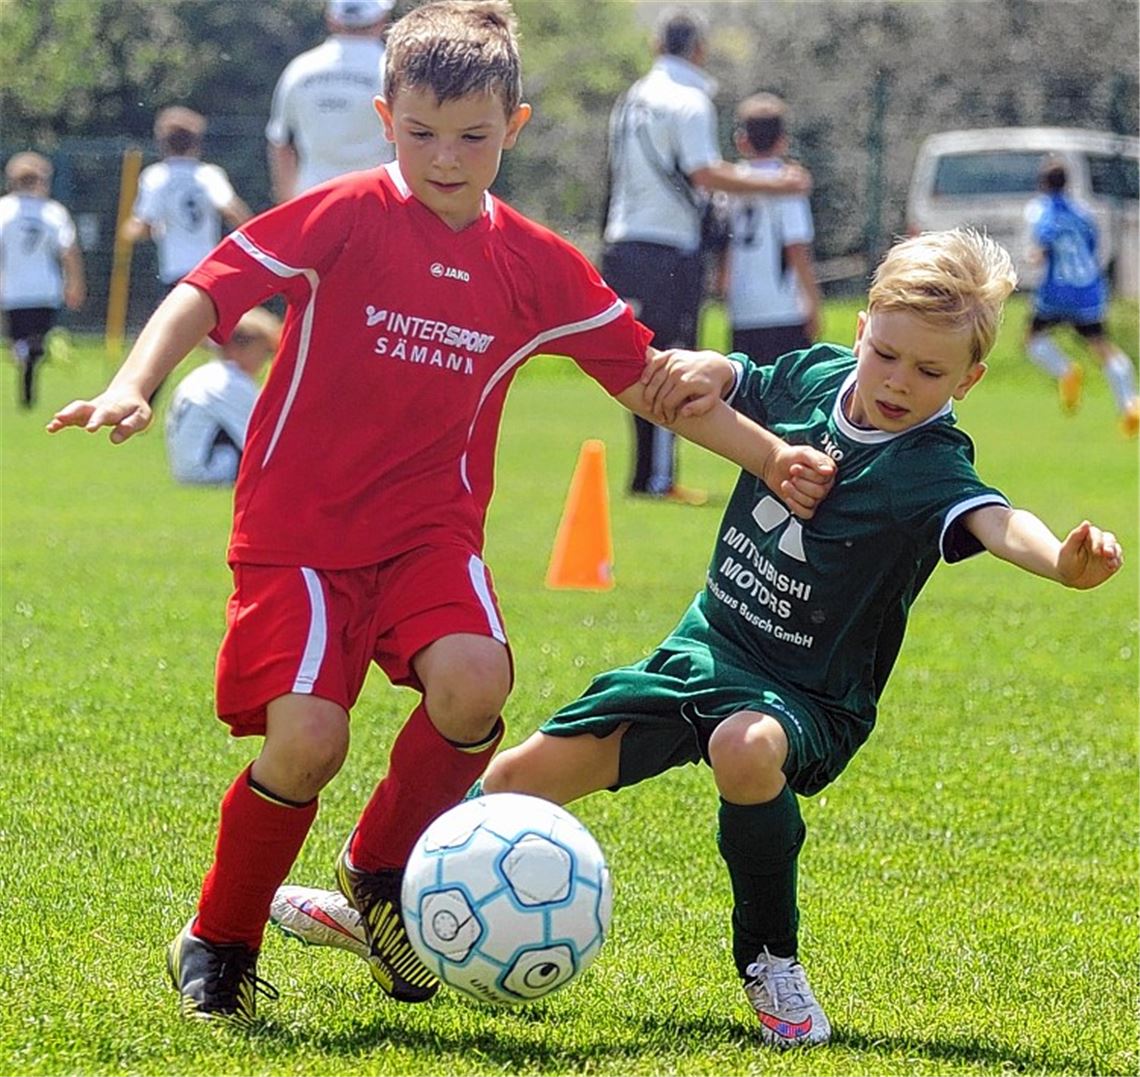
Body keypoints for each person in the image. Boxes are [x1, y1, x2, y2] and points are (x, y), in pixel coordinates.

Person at [48, 0, 835, 1028]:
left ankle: (379, 868)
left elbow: (646, 382)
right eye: (421, 133)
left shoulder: (534, 263)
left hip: (429, 534)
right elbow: (210, 286)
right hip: (299, 535)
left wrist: (771, 456)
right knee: (309, 742)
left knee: (475, 683)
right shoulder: (344, 215)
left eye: (472, 136)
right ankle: (221, 938)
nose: (446, 158)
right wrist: (133, 382)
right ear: (386, 120)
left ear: (515, 127)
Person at [602, 7, 812, 505]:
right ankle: (659, 477)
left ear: (656, 45)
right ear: (698, 49)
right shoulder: (690, 99)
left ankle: (645, 473)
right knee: (674, 361)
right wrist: (778, 182)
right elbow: (705, 174)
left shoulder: (631, 99)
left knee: (636, 359)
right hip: (669, 249)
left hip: (623, 242)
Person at [1023, 156, 1140, 437]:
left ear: (1042, 184)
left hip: (1056, 291)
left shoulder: (1042, 210)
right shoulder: (1083, 212)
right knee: (1103, 348)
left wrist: (1033, 257)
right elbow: (1093, 248)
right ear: (1067, 183)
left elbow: (1042, 247)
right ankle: (1130, 405)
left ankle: (1065, 371)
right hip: (1088, 290)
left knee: (1032, 339)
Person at [266, 0, 396, 203]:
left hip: (312, 201)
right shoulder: (394, 69)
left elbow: (280, 143)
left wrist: (287, 206)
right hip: (377, 201)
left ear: (331, 20)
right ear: (383, 19)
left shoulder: (300, 69)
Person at [723, 93, 821, 364]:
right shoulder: (789, 183)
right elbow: (795, 247)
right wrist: (813, 301)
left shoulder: (730, 184)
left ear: (741, 141)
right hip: (783, 307)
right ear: (783, 141)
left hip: (742, 307)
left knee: (748, 386)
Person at [122, 106, 253, 297]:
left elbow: (142, 226)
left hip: (175, 272)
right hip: (208, 270)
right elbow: (234, 212)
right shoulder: (209, 175)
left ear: (162, 144)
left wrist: (131, 231)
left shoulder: (157, 177)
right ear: (196, 143)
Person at [0, 152, 86, 409]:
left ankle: (25, 355)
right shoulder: (53, 211)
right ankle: (32, 355)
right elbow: (68, 250)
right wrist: (75, 283)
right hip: (46, 288)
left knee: (18, 339)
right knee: (39, 337)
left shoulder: (4, 210)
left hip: (12, 288)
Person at [165, 306, 281, 485]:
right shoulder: (231, 383)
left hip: (187, 470)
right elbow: (262, 441)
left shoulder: (206, 374)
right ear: (236, 349)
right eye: (263, 351)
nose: (265, 361)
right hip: (210, 468)